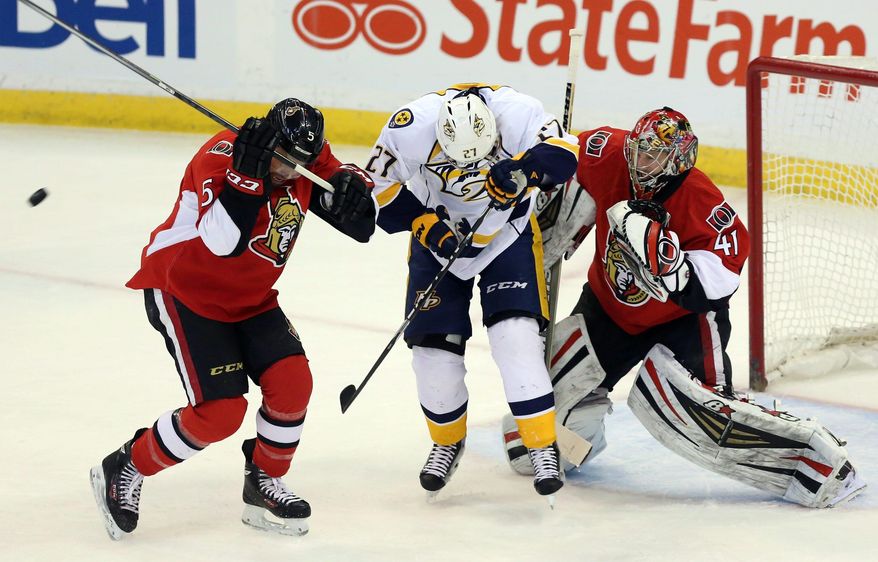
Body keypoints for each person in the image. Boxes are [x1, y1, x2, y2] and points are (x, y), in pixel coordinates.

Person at [503, 107, 866, 508]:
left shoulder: (700, 199)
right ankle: (582, 431)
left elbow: (721, 282)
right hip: (608, 308)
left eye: (655, 155)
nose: (642, 162)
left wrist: (671, 268)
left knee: (697, 416)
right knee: (527, 444)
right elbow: (562, 152)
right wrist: (542, 181)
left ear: (679, 159)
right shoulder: (609, 150)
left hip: (684, 320)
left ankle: (815, 460)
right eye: (640, 150)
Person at [89, 98, 376, 539]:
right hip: (186, 292)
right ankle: (127, 464)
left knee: (293, 380)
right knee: (221, 414)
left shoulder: (305, 157)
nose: (290, 172)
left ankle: (263, 480)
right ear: (269, 142)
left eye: (302, 164)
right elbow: (221, 242)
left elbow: (342, 187)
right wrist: (247, 177)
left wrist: (350, 181)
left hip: (251, 298)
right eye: (283, 160)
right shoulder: (221, 155)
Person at [364, 83, 579, 498]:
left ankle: (541, 444)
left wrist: (527, 169)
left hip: (506, 235)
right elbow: (375, 185)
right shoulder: (412, 125)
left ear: (495, 133)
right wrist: (421, 224)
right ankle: (446, 442)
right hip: (438, 235)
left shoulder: (516, 112)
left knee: (514, 337)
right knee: (431, 351)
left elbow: (565, 155)